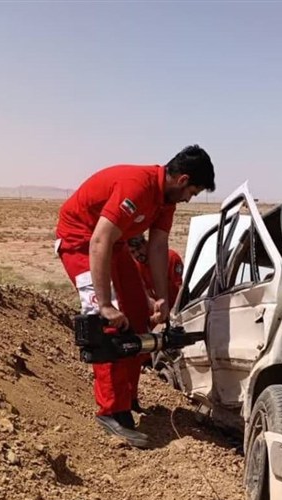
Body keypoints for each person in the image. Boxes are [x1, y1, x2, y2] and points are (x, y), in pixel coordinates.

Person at [54, 145, 215, 447]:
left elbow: (157, 248)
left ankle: (127, 397)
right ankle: (111, 412)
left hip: (113, 245)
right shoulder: (137, 186)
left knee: (140, 316)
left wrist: (161, 300)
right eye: (191, 192)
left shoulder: (166, 202)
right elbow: (99, 239)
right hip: (80, 242)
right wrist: (103, 304)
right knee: (108, 324)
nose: (188, 199)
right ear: (182, 180)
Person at [127, 233, 184, 310]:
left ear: (146, 244)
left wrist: (175, 310)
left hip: (180, 305)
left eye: (139, 248)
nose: (137, 254)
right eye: (133, 252)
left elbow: (181, 288)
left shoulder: (170, 257)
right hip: (163, 308)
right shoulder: (138, 267)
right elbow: (148, 293)